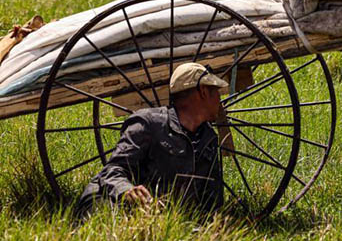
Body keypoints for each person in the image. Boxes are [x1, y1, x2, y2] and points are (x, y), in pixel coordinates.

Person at [76, 62, 229, 218]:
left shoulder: (207, 138)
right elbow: (112, 171)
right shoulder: (148, 123)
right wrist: (127, 191)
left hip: (158, 214)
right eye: (216, 92)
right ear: (203, 92)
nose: (219, 99)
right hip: (112, 201)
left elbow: (211, 202)